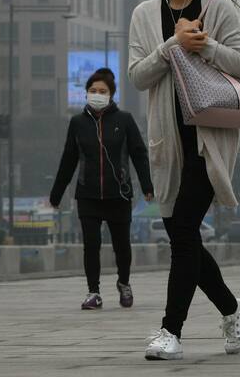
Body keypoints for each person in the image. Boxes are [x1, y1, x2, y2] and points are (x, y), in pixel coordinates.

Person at [128, 0, 240, 361]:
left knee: (182, 231)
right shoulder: (144, 14)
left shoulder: (221, 7)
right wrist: (172, 45)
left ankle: (170, 332)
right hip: (167, 142)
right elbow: (138, 76)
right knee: (185, 240)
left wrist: (205, 47)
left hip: (209, 139)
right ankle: (233, 309)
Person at [49, 68, 154, 311]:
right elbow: (68, 159)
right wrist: (56, 194)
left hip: (119, 194)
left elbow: (139, 154)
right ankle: (93, 292)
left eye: (102, 91)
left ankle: (124, 283)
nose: (97, 94)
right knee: (91, 244)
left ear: (111, 94)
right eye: (93, 91)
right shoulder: (77, 123)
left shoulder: (124, 120)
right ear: (86, 93)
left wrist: (147, 185)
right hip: (88, 194)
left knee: (122, 246)